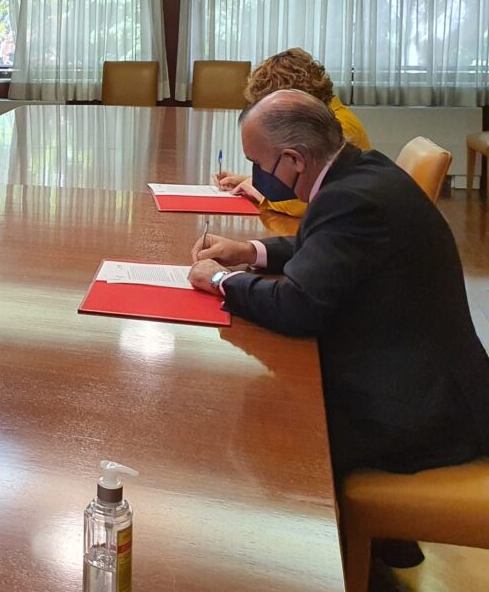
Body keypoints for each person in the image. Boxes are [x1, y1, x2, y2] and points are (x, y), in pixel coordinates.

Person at [190, 89, 489, 481]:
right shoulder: (361, 170)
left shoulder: (349, 199)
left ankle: (357, 523)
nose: (256, 175)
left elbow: (295, 306)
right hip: (413, 378)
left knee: (263, 443)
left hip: (415, 410)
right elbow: (327, 246)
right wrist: (249, 250)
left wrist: (219, 280)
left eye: (258, 163)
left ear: (295, 159)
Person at [216, 48, 370, 219]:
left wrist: (263, 196)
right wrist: (249, 181)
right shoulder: (323, 117)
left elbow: (311, 201)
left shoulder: (337, 126)